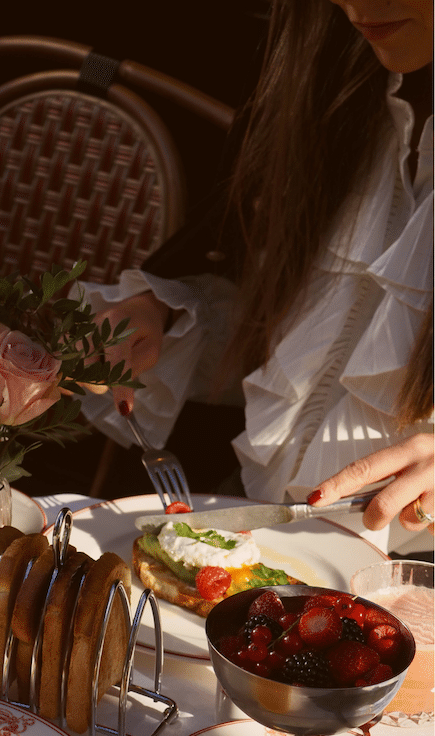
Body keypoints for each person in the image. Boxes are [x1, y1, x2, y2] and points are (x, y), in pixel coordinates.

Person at [83, 0, 433, 554]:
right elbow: (310, 334)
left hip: (411, 575)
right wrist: (164, 312)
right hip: (258, 539)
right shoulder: (337, 89)